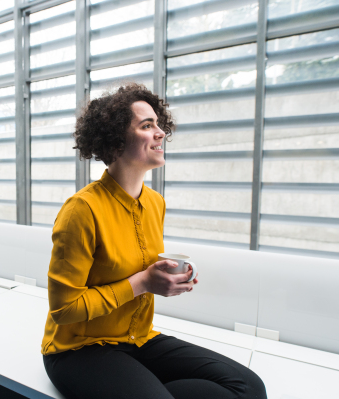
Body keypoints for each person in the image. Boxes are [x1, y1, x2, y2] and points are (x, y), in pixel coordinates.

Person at [41, 83, 267, 399]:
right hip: (78, 349)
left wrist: (167, 277)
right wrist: (144, 282)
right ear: (116, 138)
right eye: (147, 126)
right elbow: (64, 309)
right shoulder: (82, 209)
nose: (160, 133)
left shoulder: (155, 203)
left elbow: (140, 271)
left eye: (158, 125)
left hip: (137, 338)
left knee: (250, 388)